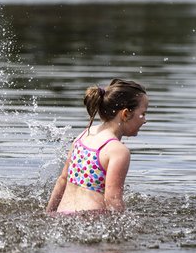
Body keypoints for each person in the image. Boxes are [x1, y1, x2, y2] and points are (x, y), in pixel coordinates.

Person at [46, 79, 148, 214]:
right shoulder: (118, 151)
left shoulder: (84, 135)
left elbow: (63, 179)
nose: (145, 120)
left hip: (62, 215)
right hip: (90, 219)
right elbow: (112, 199)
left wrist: (49, 213)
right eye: (143, 113)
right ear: (126, 114)